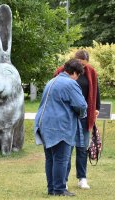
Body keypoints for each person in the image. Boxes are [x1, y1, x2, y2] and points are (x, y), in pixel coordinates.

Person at [34, 58, 87, 196]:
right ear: (74, 72)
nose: (77, 78)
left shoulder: (52, 81)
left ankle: (52, 189)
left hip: (44, 124)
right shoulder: (70, 83)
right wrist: (81, 115)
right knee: (61, 158)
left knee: (51, 158)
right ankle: (59, 189)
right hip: (59, 126)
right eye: (78, 75)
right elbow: (81, 105)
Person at [55, 50, 101, 189]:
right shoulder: (62, 71)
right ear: (75, 60)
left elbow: (95, 90)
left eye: (85, 65)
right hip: (67, 116)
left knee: (82, 148)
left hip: (84, 116)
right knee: (66, 149)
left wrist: (96, 107)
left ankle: (82, 178)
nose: (83, 68)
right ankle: (64, 179)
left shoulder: (91, 72)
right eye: (81, 64)